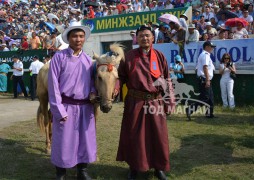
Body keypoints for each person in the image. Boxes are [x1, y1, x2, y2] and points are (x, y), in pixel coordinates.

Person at [116, 25, 175, 180]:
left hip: (156, 102)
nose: (145, 38)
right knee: (134, 135)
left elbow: (167, 80)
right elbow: (120, 77)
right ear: (137, 38)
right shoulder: (129, 56)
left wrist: (170, 101)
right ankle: (134, 167)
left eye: (147, 35)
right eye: (141, 35)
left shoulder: (160, 56)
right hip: (135, 102)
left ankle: (159, 168)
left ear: (153, 38)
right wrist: (115, 88)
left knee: (158, 136)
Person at [48, 21, 97, 180]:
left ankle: (82, 170)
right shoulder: (59, 57)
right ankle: (60, 172)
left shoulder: (88, 60)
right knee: (63, 140)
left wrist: (93, 93)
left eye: (81, 36)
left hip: (85, 106)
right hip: (66, 105)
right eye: (75, 36)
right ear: (68, 38)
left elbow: (92, 83)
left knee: (85, 139)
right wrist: (58, 110)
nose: (78, 39)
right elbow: (53, 85)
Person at [186, 41, 216, 120]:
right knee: (205, 98)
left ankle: (209, 113)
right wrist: (207, 80)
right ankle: (190, 109)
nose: (212, 48)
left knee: (210, 98)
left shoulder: (205, 55)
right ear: (206, 47)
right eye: (211, 47)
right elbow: (205, 67)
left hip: (205, 78)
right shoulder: (205, 55)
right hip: (205, 79)